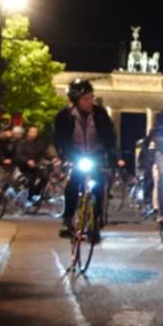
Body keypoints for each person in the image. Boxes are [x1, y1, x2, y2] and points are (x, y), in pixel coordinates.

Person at [53, 79, 116, 240]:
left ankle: (95, 220)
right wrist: (65, 157)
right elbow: (60, 140)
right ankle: (67, 220)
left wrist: (112, 156)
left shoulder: (100, 113)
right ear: (75, 100)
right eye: (85, 98)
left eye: (91, 97)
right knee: (73, 184)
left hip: (96, 154)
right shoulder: (64, 116)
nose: (90, 101)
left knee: (99, 186)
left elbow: (110, 136)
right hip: (76, 154)